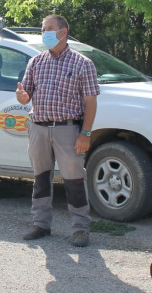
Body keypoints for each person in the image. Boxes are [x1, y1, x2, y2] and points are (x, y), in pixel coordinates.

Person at [15, 15, 100, 247]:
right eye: (43, 29)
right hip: (39, 128)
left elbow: (90, 101)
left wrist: (85, 133)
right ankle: (40, 224)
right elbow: (26, 95)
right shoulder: (36, 62)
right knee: (41, 178)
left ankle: (80, 229)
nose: (45, 33)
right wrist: (22, 96)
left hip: (68, 130)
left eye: (49, 29)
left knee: (74, 180)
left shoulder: (82, 63)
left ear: (63, 32)